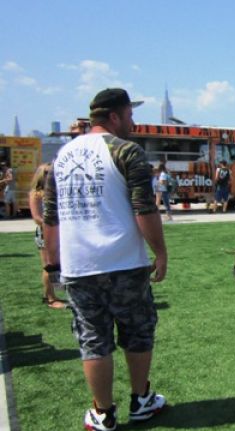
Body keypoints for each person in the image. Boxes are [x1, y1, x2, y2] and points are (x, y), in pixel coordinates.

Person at [42, 88, 167, 430]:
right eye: (129, 115)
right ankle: (141, 400)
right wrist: (160, 252)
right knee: (138, 332)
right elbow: (144, 209)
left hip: (79, 266)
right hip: (124, 261)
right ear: (114, 116)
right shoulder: (126, 151)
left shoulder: (62, 156)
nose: (132, 121)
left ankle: (102, 412)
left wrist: (52, 264)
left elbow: (51, 219)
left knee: (92, 339)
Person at [29, 163, 68, 310]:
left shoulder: (55, 191)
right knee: (48, 266)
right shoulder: (36, 193)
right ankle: (50, 298)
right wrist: (52, 225)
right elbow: (37, 218)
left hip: (58, 231)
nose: (51, 175)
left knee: (56, 265)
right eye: (47, 173)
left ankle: (53, 295)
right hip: (45, 232)